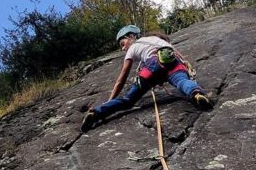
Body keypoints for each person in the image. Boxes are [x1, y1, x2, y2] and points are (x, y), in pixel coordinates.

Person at [81, 25, 212, 132]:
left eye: (122, 43)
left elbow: (121, 78)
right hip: (173, 61)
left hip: (152, 66)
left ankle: (97, 113)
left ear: (131, 36)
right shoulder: (159, 40)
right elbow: (179, 56)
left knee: (128, 100)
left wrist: (108, 101)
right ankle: (197, 94)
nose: (123, 48)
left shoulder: (132, 48)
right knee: (183, 82)